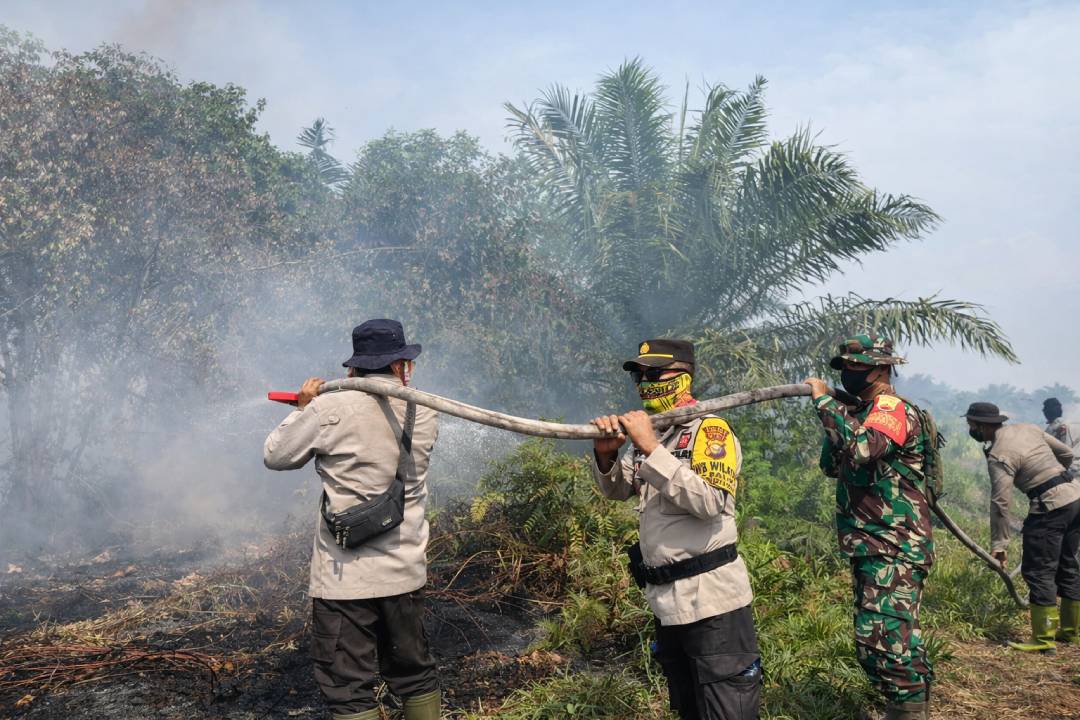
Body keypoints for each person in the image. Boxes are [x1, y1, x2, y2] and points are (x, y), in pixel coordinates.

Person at [263, 319, 440, 720]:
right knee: (415, 676)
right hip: (404, 571)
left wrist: (304, 410)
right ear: (401, 366)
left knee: (347, 688)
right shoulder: (425, 409)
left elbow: (276, 455)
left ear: (353, 368)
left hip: (346, 580)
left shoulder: (328, 408)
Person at [590, 338, 761, 720]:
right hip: (667, 601)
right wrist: (606, 454)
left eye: (652, 374)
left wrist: (654, 451)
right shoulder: (650, 434)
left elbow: (709, 502)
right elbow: (619, 490)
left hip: (712, 601)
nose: (643, 383)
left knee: (728, 710)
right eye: (638, 376)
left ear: (683, 376)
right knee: (689, 709)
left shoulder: (709, 430)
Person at [804, 335, 933, 720]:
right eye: (844, 367)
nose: (847, 374)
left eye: (856, 367)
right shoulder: (864, 412)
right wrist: (843, 414)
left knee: (881, 641)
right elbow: (833, 465)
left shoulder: (890, 409)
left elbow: (863, 448)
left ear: (881, 369)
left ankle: (907, 711)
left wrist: (825, 401)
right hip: (871, 544)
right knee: (898, 640)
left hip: (894, 546)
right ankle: (910, 709)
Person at [963, 401, 1080, 650]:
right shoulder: (1028, 428)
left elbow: (1000, 503)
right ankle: (1069, 632)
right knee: (1067, 563)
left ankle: (1043, 639)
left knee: (1039, 570)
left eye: (971, 425)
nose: (971, 429)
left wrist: (999, 545)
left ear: (981, 426)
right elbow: (1068, 454)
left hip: (1050, 506)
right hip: (1074, 498)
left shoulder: (998, 455)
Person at [1043, 397, 1080, 475]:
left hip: (1068, 470)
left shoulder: (1055, 428)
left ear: (1047, 412)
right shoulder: (1073, 424)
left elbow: (1064, 451)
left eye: (1044, 409)